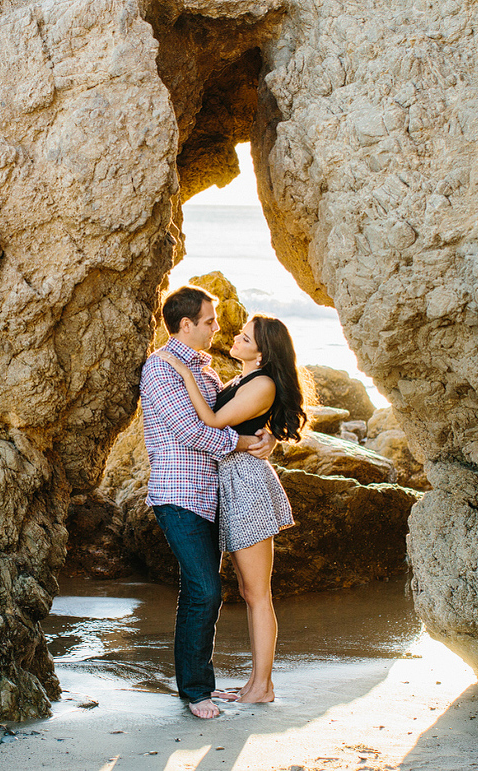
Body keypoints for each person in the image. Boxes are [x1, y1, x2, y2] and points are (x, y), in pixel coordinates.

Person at [153, 312, 305, 705]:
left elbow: (214, 419)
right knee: (248, 590)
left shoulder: (263, 382)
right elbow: (238, 425)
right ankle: (256, 683)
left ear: (262, 349)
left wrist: (184, 373)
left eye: (244, 336)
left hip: (248, 486)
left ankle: (263, 687)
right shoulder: (240, 380)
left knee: (257, 594)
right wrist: (267, 434)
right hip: (231, 485)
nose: (233, 337)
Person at [141, 285, 275, 719]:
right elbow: (192, 431)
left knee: (201, 591)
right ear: (186, 325)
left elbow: (238, 411)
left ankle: (202, 683)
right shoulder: (161, 368)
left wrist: (263, 436)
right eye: (210, 321)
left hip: (212, 496)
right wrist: (243, 441)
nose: (218, 327)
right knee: (204, 588)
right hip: (177, 493)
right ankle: (195, 692)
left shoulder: (207, 371)